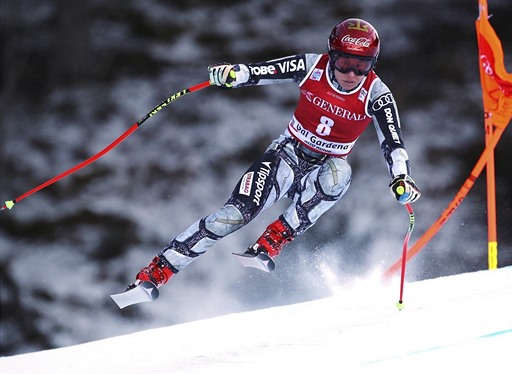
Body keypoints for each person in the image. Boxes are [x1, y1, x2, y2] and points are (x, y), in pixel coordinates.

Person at [129, 18, 421, 290]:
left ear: (373, 64)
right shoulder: (311, 66)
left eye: (362, 66)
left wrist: (401, 178)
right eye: (344, 62)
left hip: (325, 168)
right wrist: (233, 73)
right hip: (286, 156)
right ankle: (157, 272)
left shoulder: (376, 94)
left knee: (340, 175)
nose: (350, 73)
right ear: (331, 55)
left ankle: (273, 240)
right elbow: (261, 71)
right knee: (231, 216)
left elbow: (392, 142)